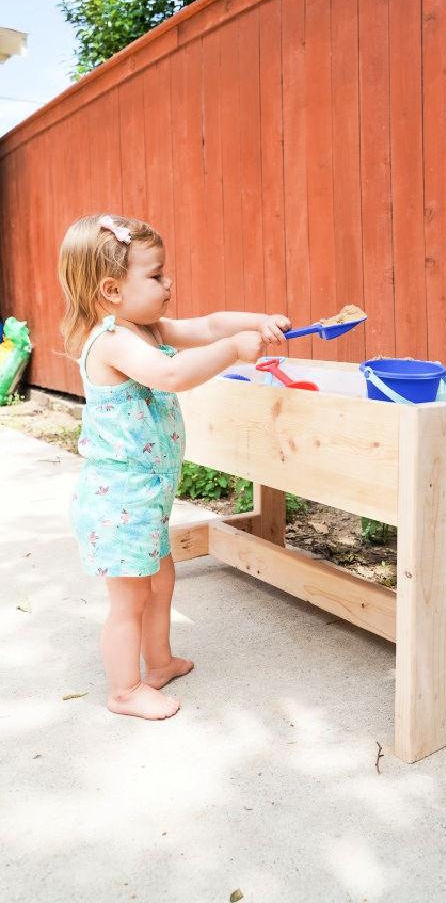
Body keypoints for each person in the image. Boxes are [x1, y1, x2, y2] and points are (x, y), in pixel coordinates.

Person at [58, 213, 291, 720]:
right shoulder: (115, 340)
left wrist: (254, 323)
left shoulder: (149, 327)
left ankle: (158, 662)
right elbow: (170, 375)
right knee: (130, 598)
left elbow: (208, 324)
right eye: (157, 275)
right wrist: (232, 351)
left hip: (146, 496)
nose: (169, 283)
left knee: (161, 581)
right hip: (118, 499)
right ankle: (124, 690)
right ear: (112, 289)